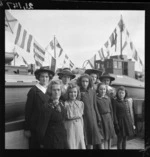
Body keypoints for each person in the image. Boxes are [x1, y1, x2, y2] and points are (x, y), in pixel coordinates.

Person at [24, 66, 55, 149]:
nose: (44, 79)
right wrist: (27, 128)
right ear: (38, 77)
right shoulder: (33, 91)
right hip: (36, 128)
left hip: (47, 128)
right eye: (42, 76)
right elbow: (28, 111)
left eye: (46, 77)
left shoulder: (50, 90)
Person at [37, 80, 68, 149]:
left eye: (58, 90)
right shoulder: (47, 106)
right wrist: (42, 142)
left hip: (62, 138)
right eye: (54, 90)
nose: (56, 92)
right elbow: (42, 127)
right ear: (50, 91)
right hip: (52, 140)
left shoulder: (61, 103)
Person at [77, 74, 103, 149]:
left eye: (86, 81)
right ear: (80, 82)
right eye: (83, 81)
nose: (85, 83)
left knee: (96, 138)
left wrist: (98, 117)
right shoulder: (79, 92)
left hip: (93, 117)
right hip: (84, 118)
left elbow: (95, 105)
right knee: (87, 138)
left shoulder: (92, 91)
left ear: (89, 82)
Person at [63, 83, 86, 149]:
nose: (73, 94)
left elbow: (81, 118)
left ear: (77, 93)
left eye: (74, 92)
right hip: (69, 127)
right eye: (71, 92)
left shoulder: (81, 103)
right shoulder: (65, 104)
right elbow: (64, 119)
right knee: (71, 144)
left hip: (79, 127)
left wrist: (82, 129)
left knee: (80, 144)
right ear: (68, 93)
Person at [96, 83, 116, 149]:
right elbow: (96, 110)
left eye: (104, 89)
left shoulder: (108, 98)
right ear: (98, 90)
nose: (103, 91)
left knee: (109, 137)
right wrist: (99, 120)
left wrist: (112, 119)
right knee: (103, 137)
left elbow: (111, 109)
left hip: (109, 119)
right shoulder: (96, 99)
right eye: (101, 89)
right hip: (101, 119)